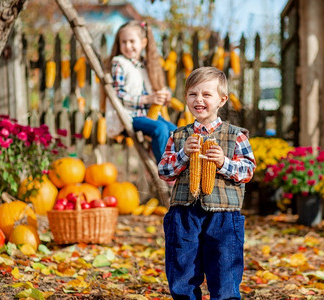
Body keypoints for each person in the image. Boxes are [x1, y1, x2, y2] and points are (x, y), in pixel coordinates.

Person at [158, 67, 256, 299]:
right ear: (186, 98)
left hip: (224, 216)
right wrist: (183, 154)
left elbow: (248, 170)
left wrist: (223, 162)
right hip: (184, 214)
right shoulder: (178, 136)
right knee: (182, 270)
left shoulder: (236, 135)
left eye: (206, 95)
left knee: (224, 271)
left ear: (222, 100)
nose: (198, 99)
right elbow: (164, 171)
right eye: (192, 94)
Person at [108, 20, 177, 162]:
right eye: (124, 42)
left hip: (148, 114)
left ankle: (180, 165)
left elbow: (149, 90)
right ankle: (165, 167)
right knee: (159, 129)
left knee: (176, 132)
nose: (128, 46)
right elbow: (118, 96)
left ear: (143, 43)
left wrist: (162, 97)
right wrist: (147, 99)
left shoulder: (145, 65)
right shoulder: (119, 63)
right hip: (130, 116)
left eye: (132, 41)